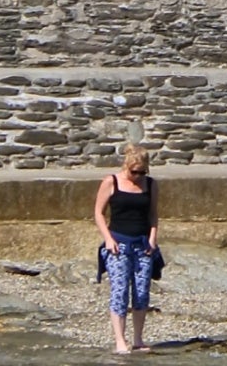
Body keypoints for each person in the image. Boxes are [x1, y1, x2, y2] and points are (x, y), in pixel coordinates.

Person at [94, 144, 159, 354]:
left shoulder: (150, 185)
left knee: (141, 292)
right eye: (134, 172)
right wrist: (108, 239)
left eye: (142, 172)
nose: (138, 176)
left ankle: (138, 339)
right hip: (118, 243)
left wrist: (152, 239)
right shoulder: (111, 182)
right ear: (126, 165)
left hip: (142, 244)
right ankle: (120, 340)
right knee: (120, 290)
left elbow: (153, 215)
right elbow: (98, 213)